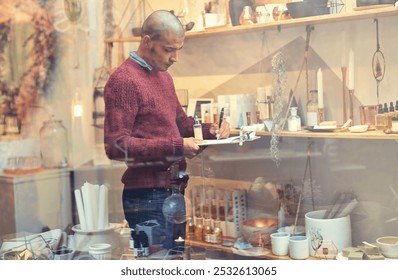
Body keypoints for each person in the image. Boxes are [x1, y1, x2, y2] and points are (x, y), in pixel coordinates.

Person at [103, 10, 230, 250]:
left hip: (173, 191)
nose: (175, 58)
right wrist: (177, 145)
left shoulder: (163, 77)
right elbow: (116, 146)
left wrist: (211, 130)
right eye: (169, 50)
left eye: (178, 50)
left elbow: (181, 123)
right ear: (147, 42)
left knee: (174, 261)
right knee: (157, 267)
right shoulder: (124, 81)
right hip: (146, 197)